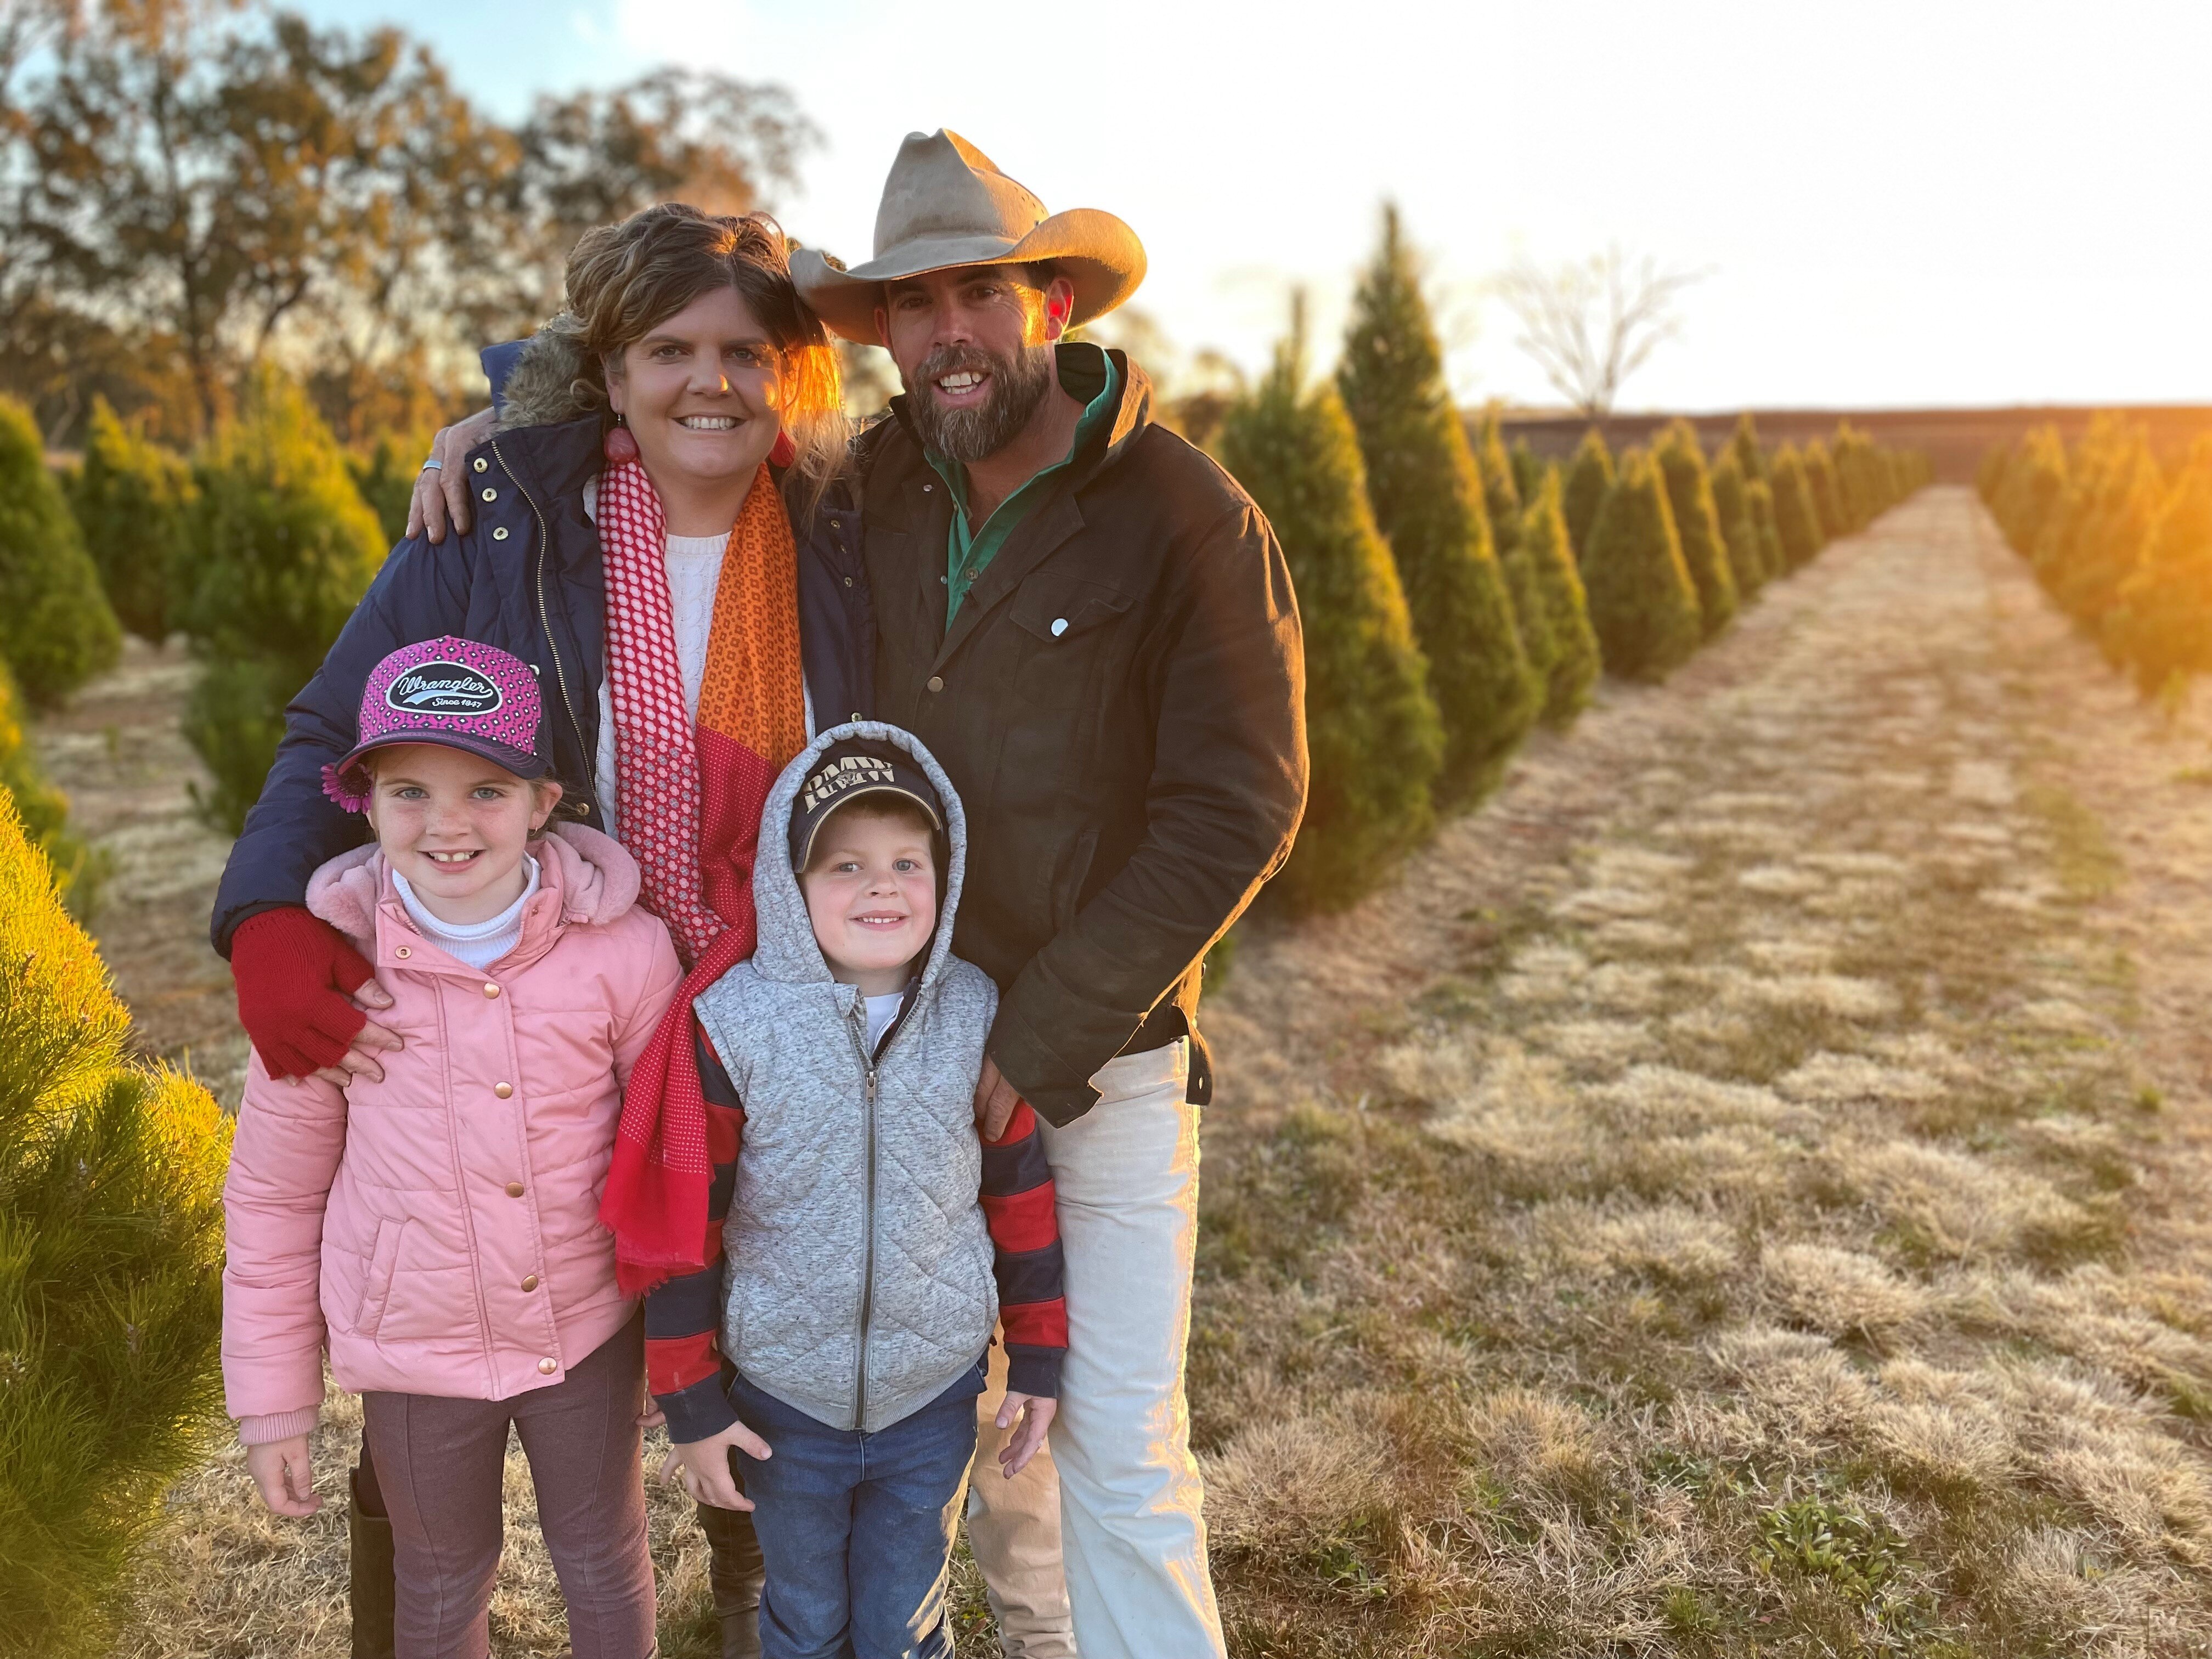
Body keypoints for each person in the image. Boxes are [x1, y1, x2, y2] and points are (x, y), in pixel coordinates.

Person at [419, 131, 1310, 1658]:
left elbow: (1240, 806)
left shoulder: (1184, 512)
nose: (944, 334)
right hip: (880, 1044)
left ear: (1054, 302)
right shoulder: (875, 483)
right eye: (909, 304)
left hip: (1088, 1060)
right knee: (995, 1442)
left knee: (1110, 1438)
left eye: (980, 293)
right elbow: (681, 398)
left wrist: (1030, 1042)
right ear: (880, 333)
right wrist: (497, 430)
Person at [211, 204, 870, 1658]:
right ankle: (411, 1606)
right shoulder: (502, 526)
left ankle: (755, 1578)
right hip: (531, 984)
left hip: (771, 1007)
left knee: (754, 1314)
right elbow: (335, 726)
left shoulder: (846, 530)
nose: (710, 379)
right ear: (612, 365)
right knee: (452, 1289)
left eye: (746, 351)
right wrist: (265, 911)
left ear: (796, 374)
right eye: (669, 347)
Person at [221, 637, 683, 1659]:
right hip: (413, 1347)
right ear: (366, 803)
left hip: (586, 1332)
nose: (447, 825)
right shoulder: (326, 981)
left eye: (485, 790)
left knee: (604, 1555)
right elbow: (272, 1200)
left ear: (544, 799)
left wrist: (681, 1336)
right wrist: (274, 1401)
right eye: (409, 792)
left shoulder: (625, 952)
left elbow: (668, 1163)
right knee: (438, 1579)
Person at [638, 723, 1065, 1658]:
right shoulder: (737, 1024)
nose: (882, 886)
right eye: (844, 866)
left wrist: (1037, 1357)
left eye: (909, 862)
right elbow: (687, 1226)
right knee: (805, 1615)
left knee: (901, 1617)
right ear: (790, 890)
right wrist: (693, 1401)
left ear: (945, 879)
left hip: (932, 1396)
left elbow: (1023, 1198)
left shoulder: (979, 1012)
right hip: (785, 1402)